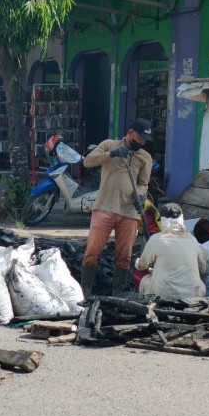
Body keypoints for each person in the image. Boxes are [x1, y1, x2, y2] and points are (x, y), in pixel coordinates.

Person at [79, 118, 154, 297]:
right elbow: (88, 161)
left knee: (124, 258)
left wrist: (141, 195)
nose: (142, 142)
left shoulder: (145, 157)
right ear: (130, 133)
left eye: (145, 140)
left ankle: (117, 296)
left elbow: (144, 183)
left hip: (129, 212)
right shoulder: (109, 144)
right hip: (104, 208)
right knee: (92, 253)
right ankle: (85, 295)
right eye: (140, 138)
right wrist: (111, 154)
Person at [135, 203, 207, 299]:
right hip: (193, 294)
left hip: (163, 294)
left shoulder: (156, 239)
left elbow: (141, 266)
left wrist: (137, 262)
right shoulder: (192, 240)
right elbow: (203, 269)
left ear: (163, 221)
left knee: (140, 276)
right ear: (182, 218)